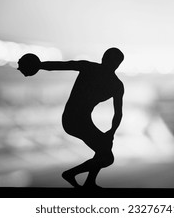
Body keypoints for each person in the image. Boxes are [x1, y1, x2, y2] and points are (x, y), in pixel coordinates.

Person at [17, 47, 124, 188]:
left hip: (79, 120)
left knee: (105, 153)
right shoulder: (112, 82)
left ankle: (87, 181)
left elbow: (118, 113)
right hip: (73, 120)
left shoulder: (108, 80)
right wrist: (40, 65)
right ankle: (74, 176)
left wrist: (111, 133)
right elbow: (63, 65)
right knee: (106, 155)